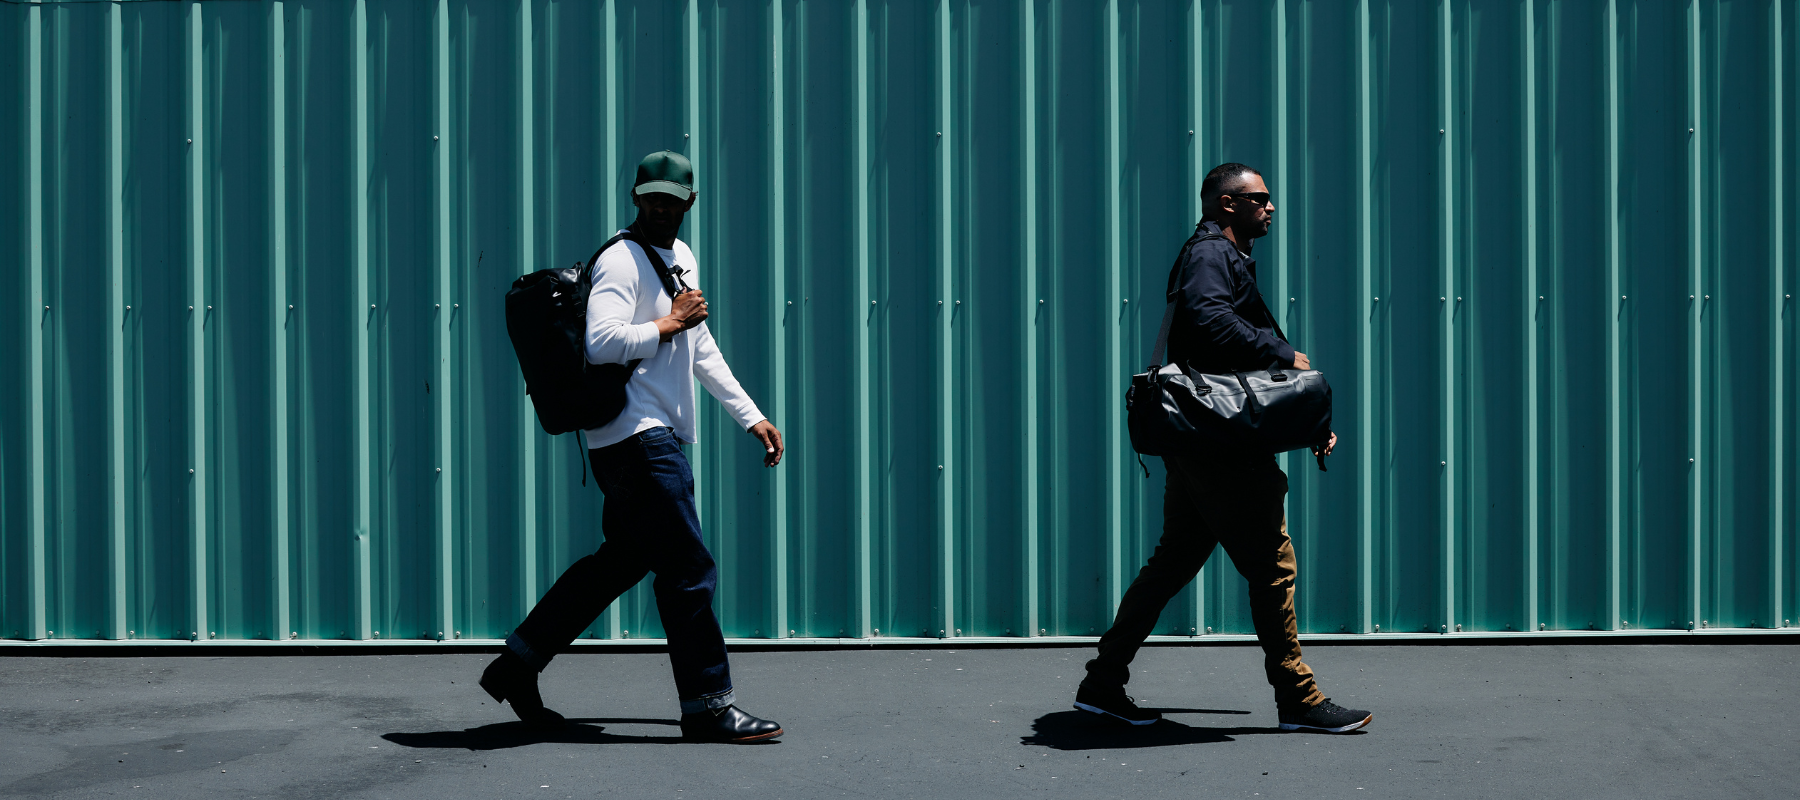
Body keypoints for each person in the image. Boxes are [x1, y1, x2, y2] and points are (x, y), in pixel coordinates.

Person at [480, 151, 787, 743]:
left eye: (672, 199)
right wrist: (669, 322)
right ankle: (707, 706)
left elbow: (701, 348)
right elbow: (601, 343)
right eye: (651, 197)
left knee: (619, 562)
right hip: (635, 439)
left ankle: (516, 665)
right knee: (688, 570)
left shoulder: (680, 257)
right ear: (636, 197)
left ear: (689, 202)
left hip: (639, 439)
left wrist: (751, 416)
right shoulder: (622, 260)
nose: (661, 207)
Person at [1072, 162, 1371, 734]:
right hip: (1219, 447)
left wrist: (1308, 419)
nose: (1271, 207)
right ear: (1227, 204)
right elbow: (1212, 325)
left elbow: (1231, 367)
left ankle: (1102, 684)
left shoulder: (1219, 254)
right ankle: (1298, 699)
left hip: (1203, 441)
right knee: (1274, 566)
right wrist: (1284, 355)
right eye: (1260, 198)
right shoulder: (1210, 255)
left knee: (1173, 561)